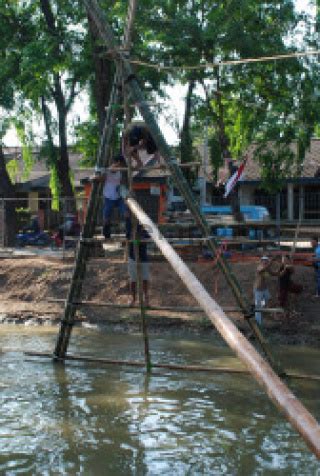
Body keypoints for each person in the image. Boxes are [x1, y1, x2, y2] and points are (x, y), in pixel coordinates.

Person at [95, 154, 127, 239]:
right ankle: (106, 235)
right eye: (119, 165)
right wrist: (99, 176)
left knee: (126, 213)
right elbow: (100, 179)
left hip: (119, 197)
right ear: (117, 163)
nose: (120, 167)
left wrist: (125, 192)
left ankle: (129, 234)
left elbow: (120, 183)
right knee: (106, 217)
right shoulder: (107, 171)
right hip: (108, 197)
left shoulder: (119, 172)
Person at [126, 220, 150, 307]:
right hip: (133, 257)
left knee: (145, 279)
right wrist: (135, 240)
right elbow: (129, 238)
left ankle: (146, 299)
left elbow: (147, 237)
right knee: (133, 279)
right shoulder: (129, 225)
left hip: (143, 257)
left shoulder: (145, 225)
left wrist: (138, 240)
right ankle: (133, 299)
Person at [253, 255, 278, 326]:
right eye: (263, 260)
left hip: (264, 289)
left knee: (269, 300)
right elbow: (262, 270)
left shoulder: (267, 269)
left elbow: (274, 273)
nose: (265, 262)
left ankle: (265, 311)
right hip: (258, 289)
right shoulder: (259, 267)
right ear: (261, 261)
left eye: (266, 261)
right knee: (258, 306)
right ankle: (258, 323)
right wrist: (271, 262)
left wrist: (282, 269)